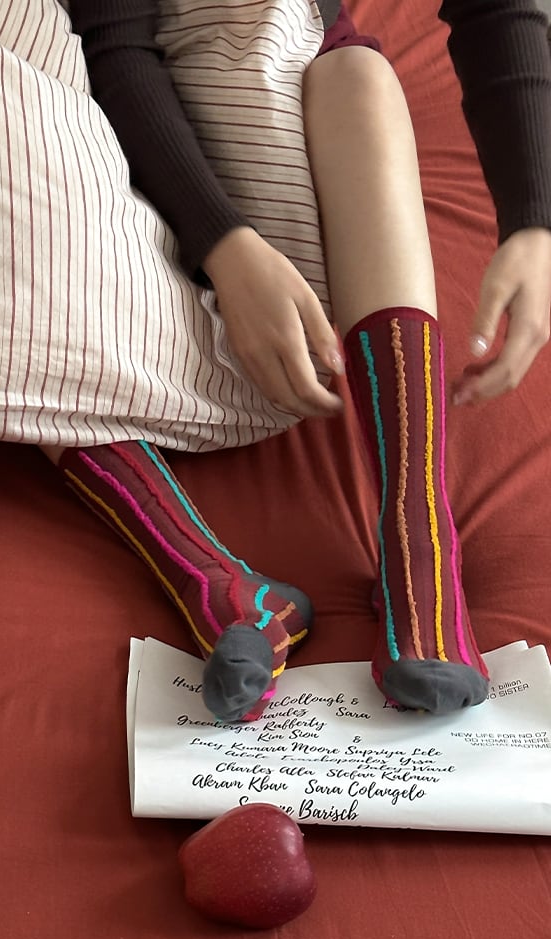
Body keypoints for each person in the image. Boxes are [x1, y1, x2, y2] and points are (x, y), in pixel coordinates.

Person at [44, 0, 551, 723]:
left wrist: (534, 220)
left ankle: (420, 547)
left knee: (358, 76)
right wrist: (224, 248)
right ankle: (218, 582)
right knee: (4, 190)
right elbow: (114, 43)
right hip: (115, 129)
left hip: (276, 132)